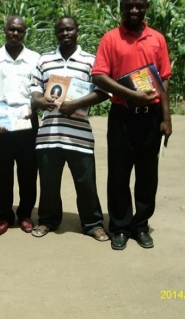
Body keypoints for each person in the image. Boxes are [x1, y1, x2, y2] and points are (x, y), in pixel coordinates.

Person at [92, 0, 172, 250]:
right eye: (129, 5)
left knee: (148, 175)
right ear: (122, 7)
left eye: (139, 5)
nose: (134, 10)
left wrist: (166, 117)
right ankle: (120, 227)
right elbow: (99, 75)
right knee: (118, 174)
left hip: (150, 118)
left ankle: (140, 225)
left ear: (146, 7)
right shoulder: (111, 38)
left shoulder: (157, 39)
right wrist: (131, 94)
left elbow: (164, 80)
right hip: (122, 116)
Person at [30, 16, 109, 241]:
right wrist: (39, 100)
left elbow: (104, 91)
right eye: (61, 30)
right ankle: (47, 220)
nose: (65, 34)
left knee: (86, 183)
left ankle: (93, 223)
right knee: (48, 183)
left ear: (77, 31)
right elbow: (34, 88)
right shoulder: (45, 60)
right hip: (49, 135)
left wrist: (76, 103)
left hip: (79, 135)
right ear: (56, 33)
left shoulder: (90, 61)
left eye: (70, 29)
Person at [0, 15, 39, 236]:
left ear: (25, 32)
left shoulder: (35, 58)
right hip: (1, 124)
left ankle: (25, 214)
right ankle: (5, 216)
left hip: (26, 121)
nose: (15, 33)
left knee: (28, 171)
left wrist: (34, 109)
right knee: (2, 172)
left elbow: (39, 91)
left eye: (20, 30)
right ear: (4, 30)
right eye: (11, 29)